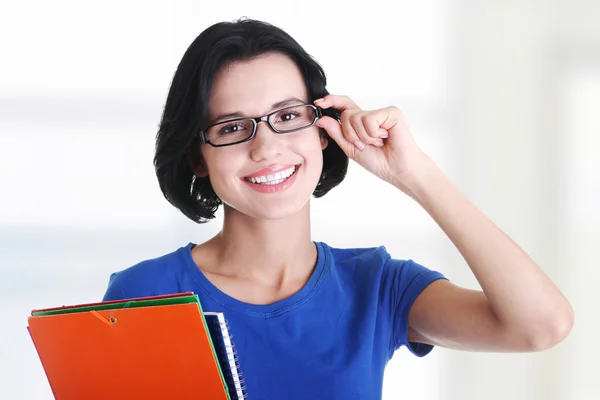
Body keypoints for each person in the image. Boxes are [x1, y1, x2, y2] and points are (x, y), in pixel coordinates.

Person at [102, 18, 573, 399]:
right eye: (231, 128)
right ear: (197, 156)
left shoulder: (379, 286)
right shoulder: (145, 293)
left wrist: (414, 174)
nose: (266, 148)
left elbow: (541, 326)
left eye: (287, 117)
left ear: (322, 129)